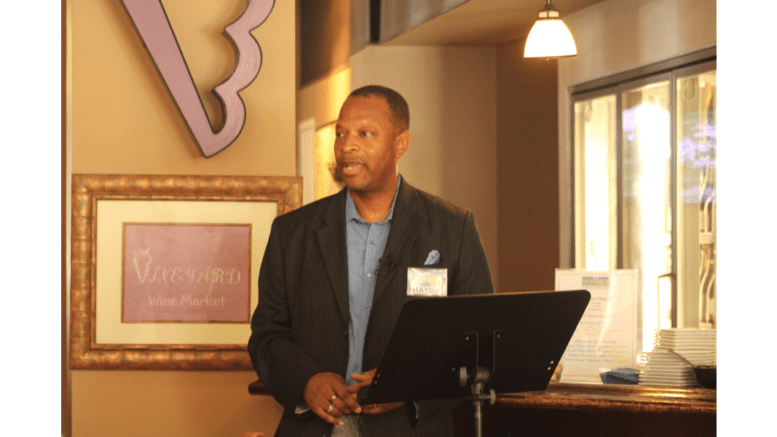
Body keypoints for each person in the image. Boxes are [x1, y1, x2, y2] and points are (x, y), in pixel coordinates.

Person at [248, 85, 495, 436]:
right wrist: (307, 381)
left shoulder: (453, 228)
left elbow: (477, 342)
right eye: (341, 133)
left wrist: (407, 382)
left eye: (365, 134)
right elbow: (267, 336)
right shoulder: (291, 232)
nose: (347, 145)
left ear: (400, 144)